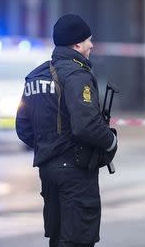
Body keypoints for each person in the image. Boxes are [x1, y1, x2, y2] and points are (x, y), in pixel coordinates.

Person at [16, 14, 118, 247]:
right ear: (76, 44)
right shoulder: (77, 75)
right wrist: (111, 141)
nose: (91, 45)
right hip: (75, 172)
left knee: (59, 237)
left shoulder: (35, 76)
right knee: (78, 240)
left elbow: (23, 127)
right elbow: (87, 125)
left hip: (48, 171)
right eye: (88, 40)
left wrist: (49, 146)